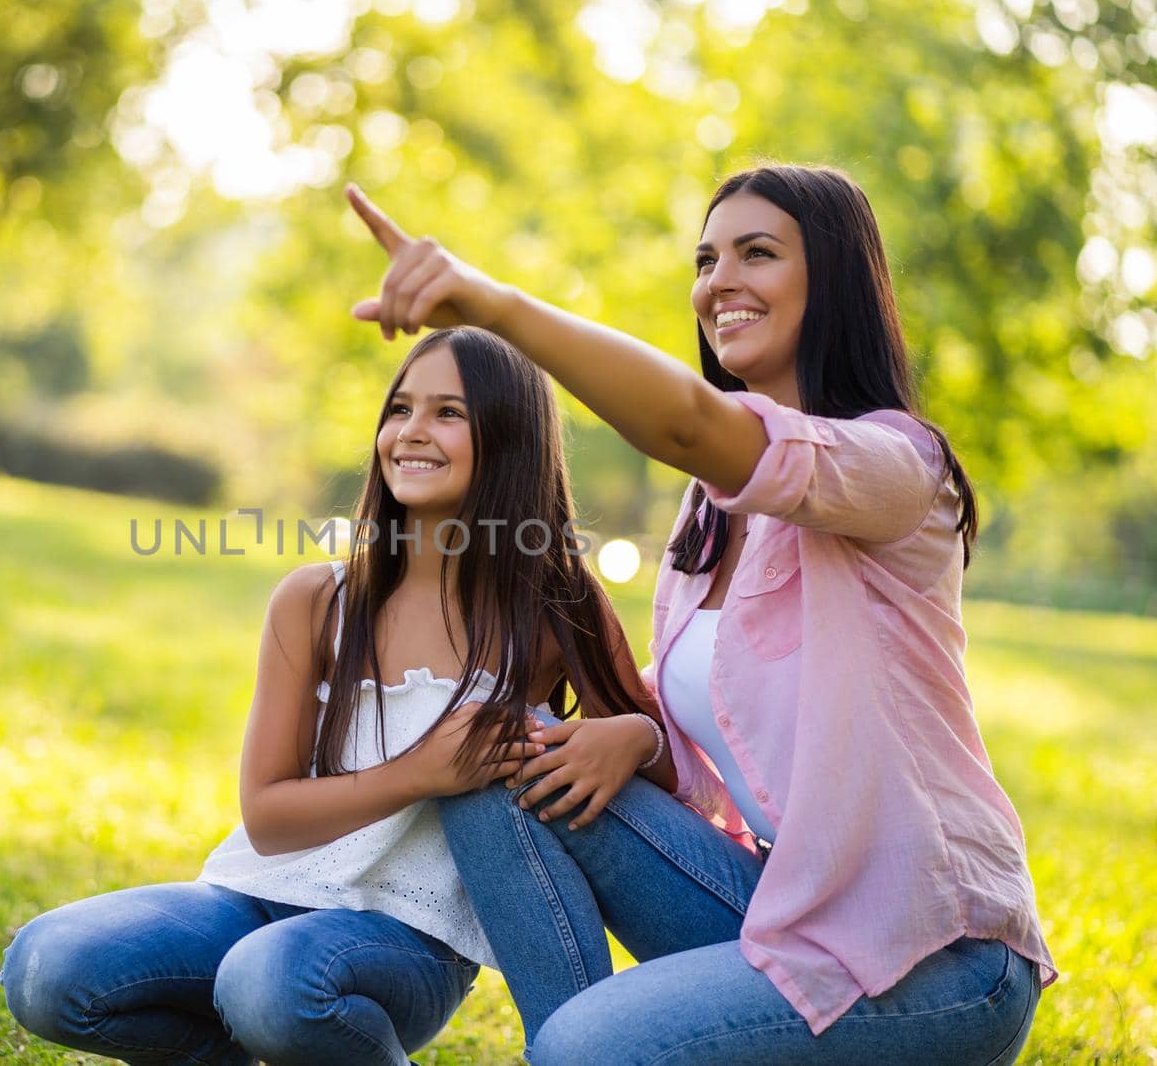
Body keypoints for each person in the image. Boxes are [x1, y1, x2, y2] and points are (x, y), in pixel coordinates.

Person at [346, 163, 1056, 1065]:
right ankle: (570, 1045)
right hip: (779, 904)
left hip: (931, 957)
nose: (720, 281)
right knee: (497, 750)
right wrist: (635, 738)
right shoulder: (713, 505)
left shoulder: (895, 466)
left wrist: (493, 304)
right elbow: (717, 706)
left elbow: (688, 422)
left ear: (830, 277)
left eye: (757, 253)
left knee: (587, 1048)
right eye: (708, 258)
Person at [0, 325, 668, 1065]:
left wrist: (638, 735)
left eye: (449, 412)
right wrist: (422, 773)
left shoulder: (554, 606)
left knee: (272, 984)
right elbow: (269, 816)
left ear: (509, 439)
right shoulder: (318, 599)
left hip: (408, 937)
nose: (411, 432)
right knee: (43, 966)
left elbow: (656, 776)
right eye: (400, 409)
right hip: (254, 894)